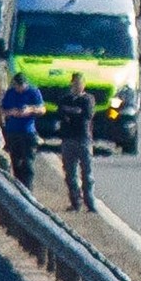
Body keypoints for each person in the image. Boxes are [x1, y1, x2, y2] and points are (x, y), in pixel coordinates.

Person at [46, 82, 96, 211]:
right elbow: (60, 113)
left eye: (79, 85)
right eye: (75, 85)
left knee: (87, 173)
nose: (77, 87)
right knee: (70, 174)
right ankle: (76, 202)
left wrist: (71, 112)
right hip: (68, 139)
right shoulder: (65, 99)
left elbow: (86, 114)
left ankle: (90, 203)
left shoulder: (87, 99)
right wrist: (73, 112)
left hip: (83, 139)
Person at [0, 72, 44, 190]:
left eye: (21, 86)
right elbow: (3, 110)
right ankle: (18, 187)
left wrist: (30, 109)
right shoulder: (10, 93)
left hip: (28, 132)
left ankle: (28, 189)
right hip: (13, 132)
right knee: (16, 161)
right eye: (17, 86)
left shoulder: (33, 92)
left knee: (28, 162)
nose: (18, 88)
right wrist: (12, 112)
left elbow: (42, 109)